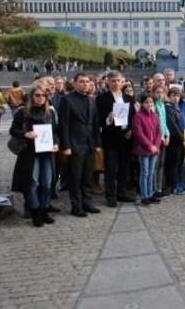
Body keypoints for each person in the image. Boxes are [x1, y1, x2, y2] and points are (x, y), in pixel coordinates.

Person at [10, 86, 59, 227]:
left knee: (47, 183)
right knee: (33, 184)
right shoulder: (23, 113)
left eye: (43, 95)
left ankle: (44, 210)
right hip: (30, 154)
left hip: (47, 152)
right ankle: (35, 212)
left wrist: (56, 143)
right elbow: (13, 130)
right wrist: (25, 134)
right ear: (32, 97)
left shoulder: (50, 112)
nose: (41, 98)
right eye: (37, 95)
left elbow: (55, 132)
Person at [58, 73, 101, 217]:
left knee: (87, 176)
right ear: (75, 83)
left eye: (87, 82)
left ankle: (87, 203)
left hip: (89, 144)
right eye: (81, 81)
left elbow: (95, 123)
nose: (85, 84)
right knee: (75, 177)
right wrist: (66, 146)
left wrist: (97, 143)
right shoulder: (67, 100)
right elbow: (63, 125)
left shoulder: (91, 100)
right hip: (74, 144)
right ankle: (76, 206)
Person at [96, 71, 136, 207]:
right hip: (111, 138)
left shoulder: (129, 98)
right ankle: (111, 196)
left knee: (124, 167)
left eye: (118, 80)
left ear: (122, 82)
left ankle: (122, 192)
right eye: (113, 80)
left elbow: (133, 117)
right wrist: (109, 118)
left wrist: (131, 130)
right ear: (108, 82)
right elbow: (99, 120)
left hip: (126, 137)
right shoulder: (101, 99)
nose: (116, 83)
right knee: (111, 169)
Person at [132, 94, 162, 205]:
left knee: (151, 172)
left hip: (154, 149)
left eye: (151, 102)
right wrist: (150, 146)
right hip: (144, 149)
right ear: (142, 104)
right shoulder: (138, 116)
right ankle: (144, 195)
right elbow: (139, 134)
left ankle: (150, 193)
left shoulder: (155, 115)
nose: (149, 104)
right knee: (145, 172)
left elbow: (159, 132)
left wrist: (156, 145)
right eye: (146, 102)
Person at [165, 87, 185, 194]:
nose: (176, 98)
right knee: (174, 164)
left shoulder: (178, 107)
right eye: (173, 95)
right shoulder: (168, 109)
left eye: (178, 96)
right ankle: (174, 185)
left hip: (182, 141)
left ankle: (180, 182)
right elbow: (173, 127)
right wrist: (182, 138)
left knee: (180, 163)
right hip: (175, 141)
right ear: (169, 96)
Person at [152, 85, 170, 196]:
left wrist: (167, 135)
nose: (160, 94)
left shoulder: (162, 105)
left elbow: (164, 122)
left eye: (162, 92)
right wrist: (161, 137)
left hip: (164, 136)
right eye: (157, 92)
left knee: (161, 164)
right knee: (156, 164)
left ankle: (159, 188)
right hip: (157, 138)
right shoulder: (153, 106)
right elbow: (155, 124)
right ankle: (154, 188)